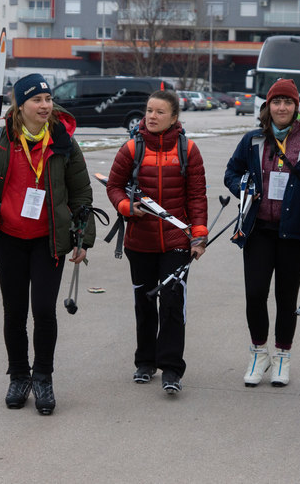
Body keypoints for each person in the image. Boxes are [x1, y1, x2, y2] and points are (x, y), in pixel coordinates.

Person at [0, 73, 96, 415]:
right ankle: (19, 376)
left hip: (47, 240)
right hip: (8, 238)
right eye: (37, 100)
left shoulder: (63, 141)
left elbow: (82, 193)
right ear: (20, 105)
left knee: (43, 310)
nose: (45, 105)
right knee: (14, 312)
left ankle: (43, 378)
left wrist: (82, 238)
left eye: (48, 99)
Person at [224, 78, 300, 388]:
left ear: (296, 107)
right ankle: (259, 354)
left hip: (297, 231)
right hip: (258, 228)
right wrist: (244, 188)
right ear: (268, 106)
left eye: (288, 102)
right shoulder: (253, 140)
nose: (282, 107)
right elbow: (232, 172)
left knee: (286, 297)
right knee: (255, 293)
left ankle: (283, 356)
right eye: (277, 102)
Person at [105, 90, 208, 395]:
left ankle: (172, 368)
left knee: (172, 303)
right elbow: (114, 186)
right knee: (145, 303)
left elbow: (197, 196)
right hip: (140, 242)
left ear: (174, 117)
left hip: (177, 241)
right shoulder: (131, 148)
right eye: (149, 110)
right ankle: (145, 362)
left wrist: (199, 236)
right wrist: (126, 206)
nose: (151, 116)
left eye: (159, 112)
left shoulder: (189, 150)